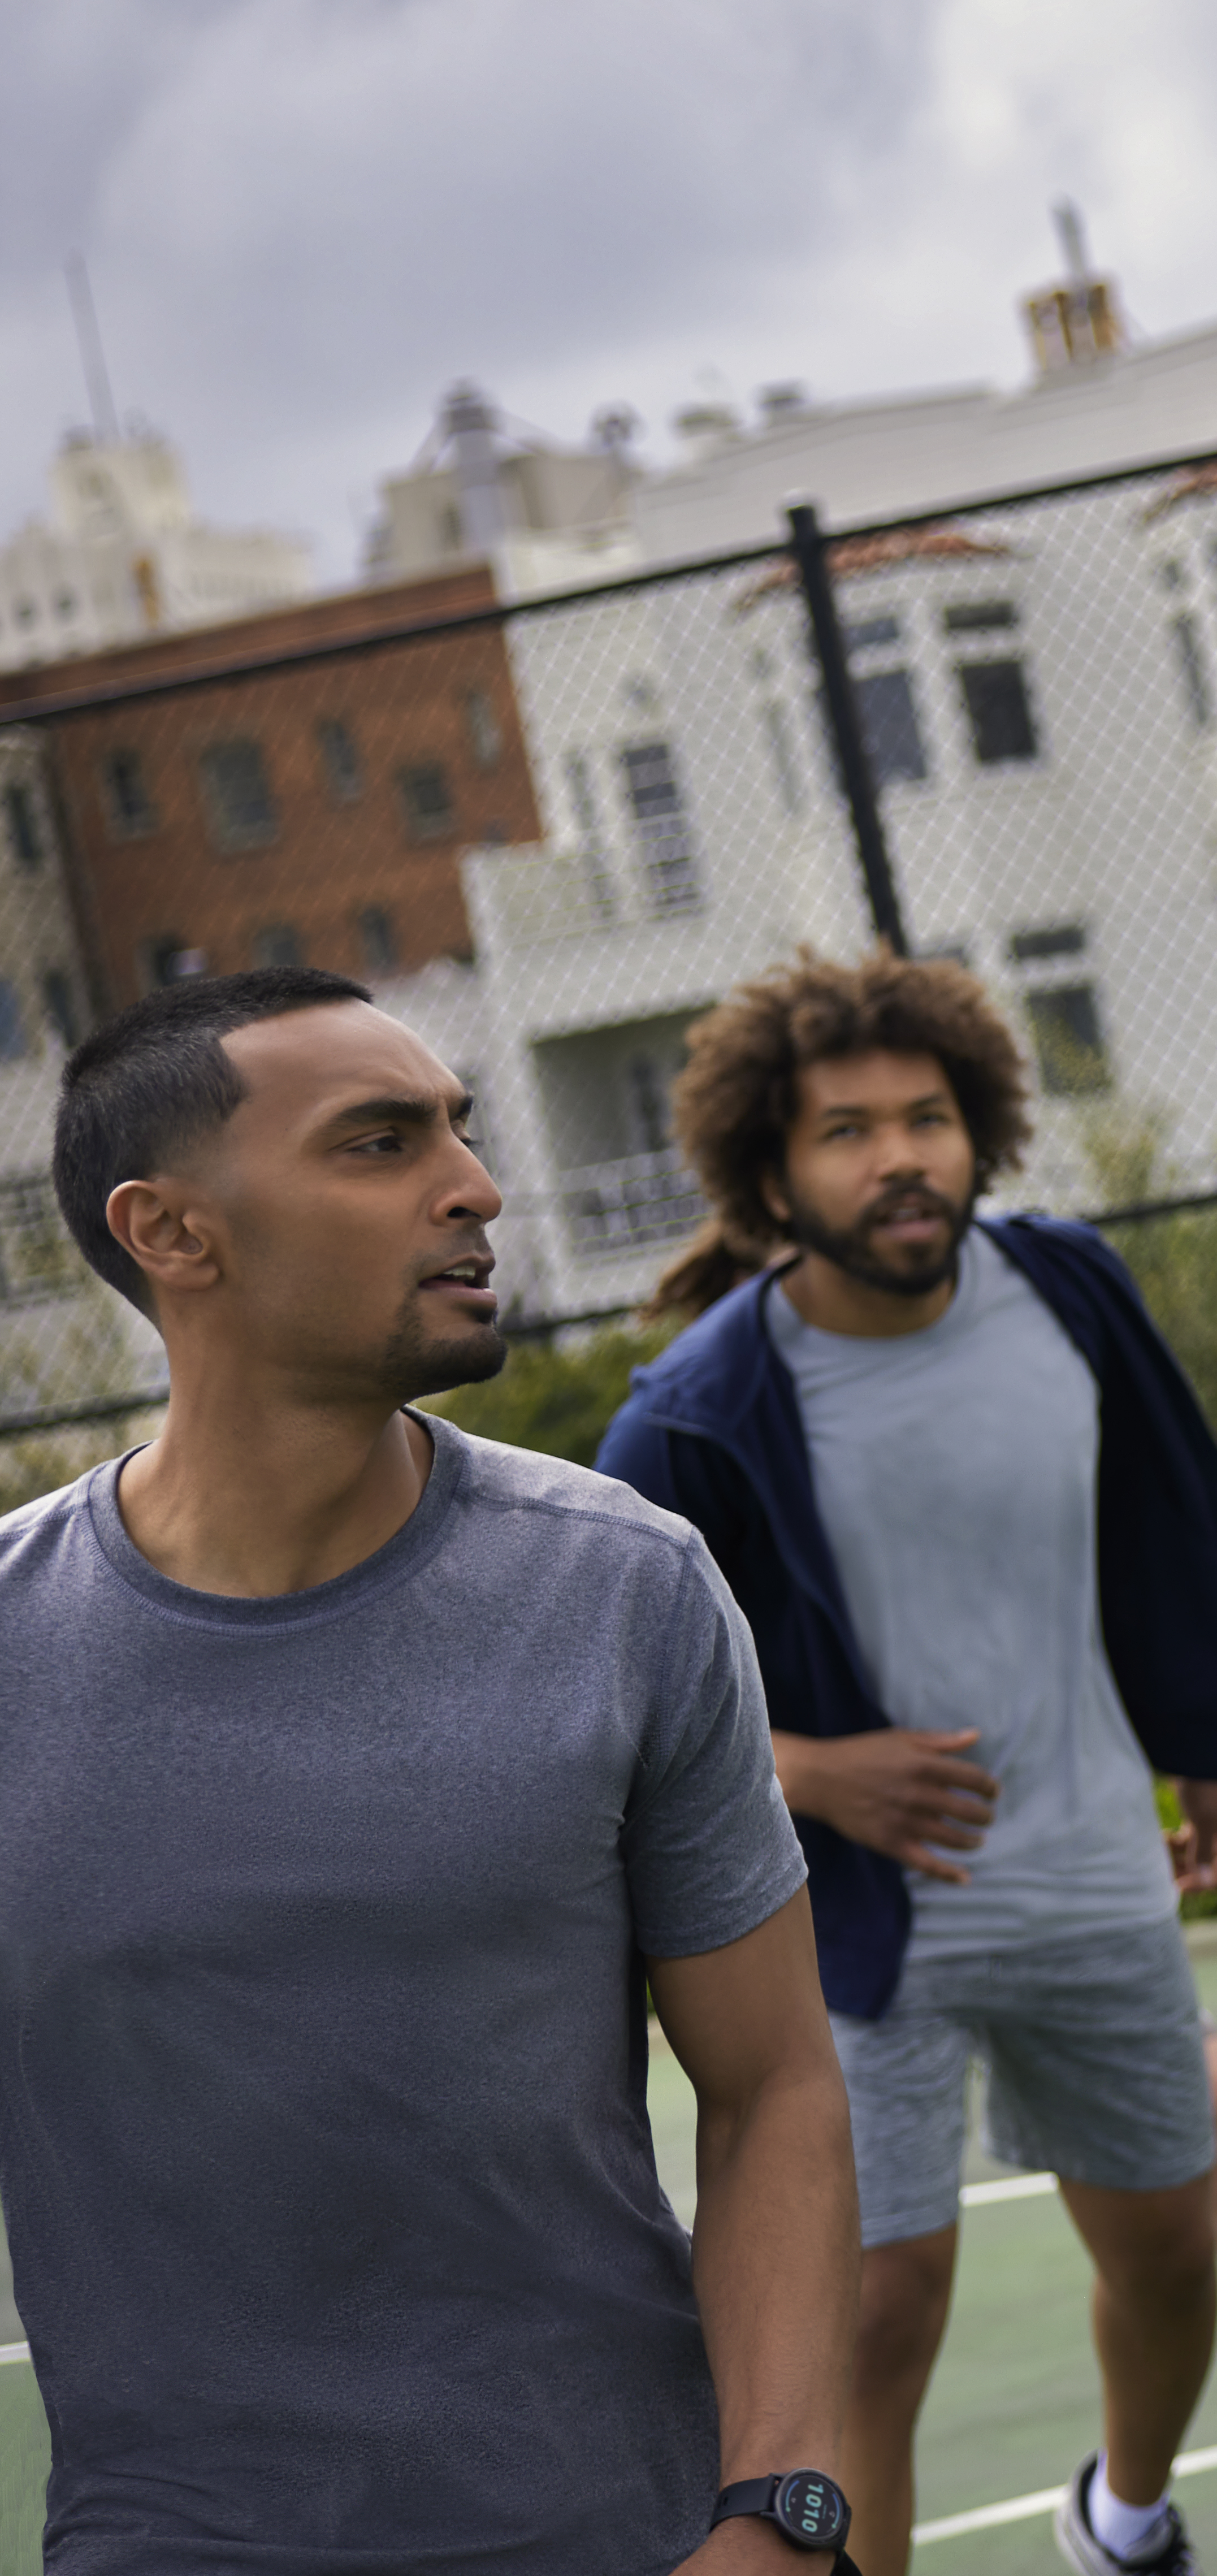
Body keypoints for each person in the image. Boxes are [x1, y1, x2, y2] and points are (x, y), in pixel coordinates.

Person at [596, 952, 1217, 2576]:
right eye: (847, 1131)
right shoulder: (695, 1418)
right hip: (858, 1938)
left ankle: (1123, 2523)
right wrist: (818, 1773)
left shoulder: (1066, 1290)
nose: (899, 1157)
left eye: (927, 1118)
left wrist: (1203, 1750)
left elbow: (1167, 1523)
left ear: (981, 1130)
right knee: (882, 2318)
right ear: (771, 1176)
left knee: (1167, 2261)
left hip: (1090, 1887)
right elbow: (617, 1710)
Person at [0, 969, 859, 2575]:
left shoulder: (629, 1588)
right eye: (381, 1143)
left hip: (625, 2529)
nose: (475, 1185)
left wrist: (784, 2517)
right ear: (173, 1234)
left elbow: (775, 2090)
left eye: (460, 1128)